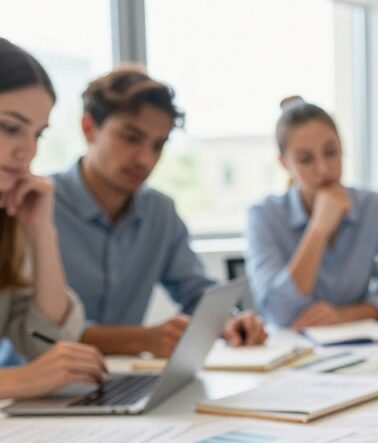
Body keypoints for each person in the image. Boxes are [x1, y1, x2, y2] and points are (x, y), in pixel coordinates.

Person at [50, 67, 266, 358]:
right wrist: (141, 340)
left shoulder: (159, 211)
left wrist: (229, 320)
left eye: (158, 145)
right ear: (89, 128)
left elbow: (196, 290)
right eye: (131, 138)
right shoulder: (40, 205)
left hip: (118, 382)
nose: (145, 159)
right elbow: (38, 328)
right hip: (29, 391)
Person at [0, 38, 106, 399]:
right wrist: (17, 381)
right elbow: (36, 369)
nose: (27, 150)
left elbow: (48, 348)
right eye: (10, 127)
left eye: (37, 134)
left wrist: (41, 231)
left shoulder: (6, 222)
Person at [246, 97, 378, 329]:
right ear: (284, 163)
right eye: (305, 159)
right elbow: (277, 311)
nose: (323, 169)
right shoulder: (263, 216)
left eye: (331, 152)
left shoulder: (376, 207)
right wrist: (318, 230)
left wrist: (346, 315)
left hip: (364, 346)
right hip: (292, 350)